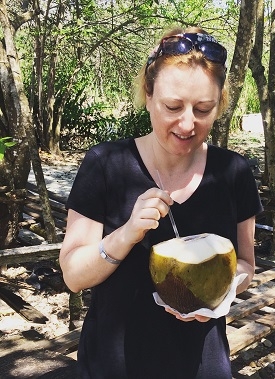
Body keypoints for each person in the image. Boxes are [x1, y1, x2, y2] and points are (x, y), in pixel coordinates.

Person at [60, 26, 263, 379]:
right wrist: (125, 234)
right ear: (149, 94)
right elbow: (74, 276)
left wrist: (226, 289)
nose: (187, 123)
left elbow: (245, 264)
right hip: (114, 366)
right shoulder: (105, 164)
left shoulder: (234, 172)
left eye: (203, 109)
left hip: (203, 364)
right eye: (172, 106)